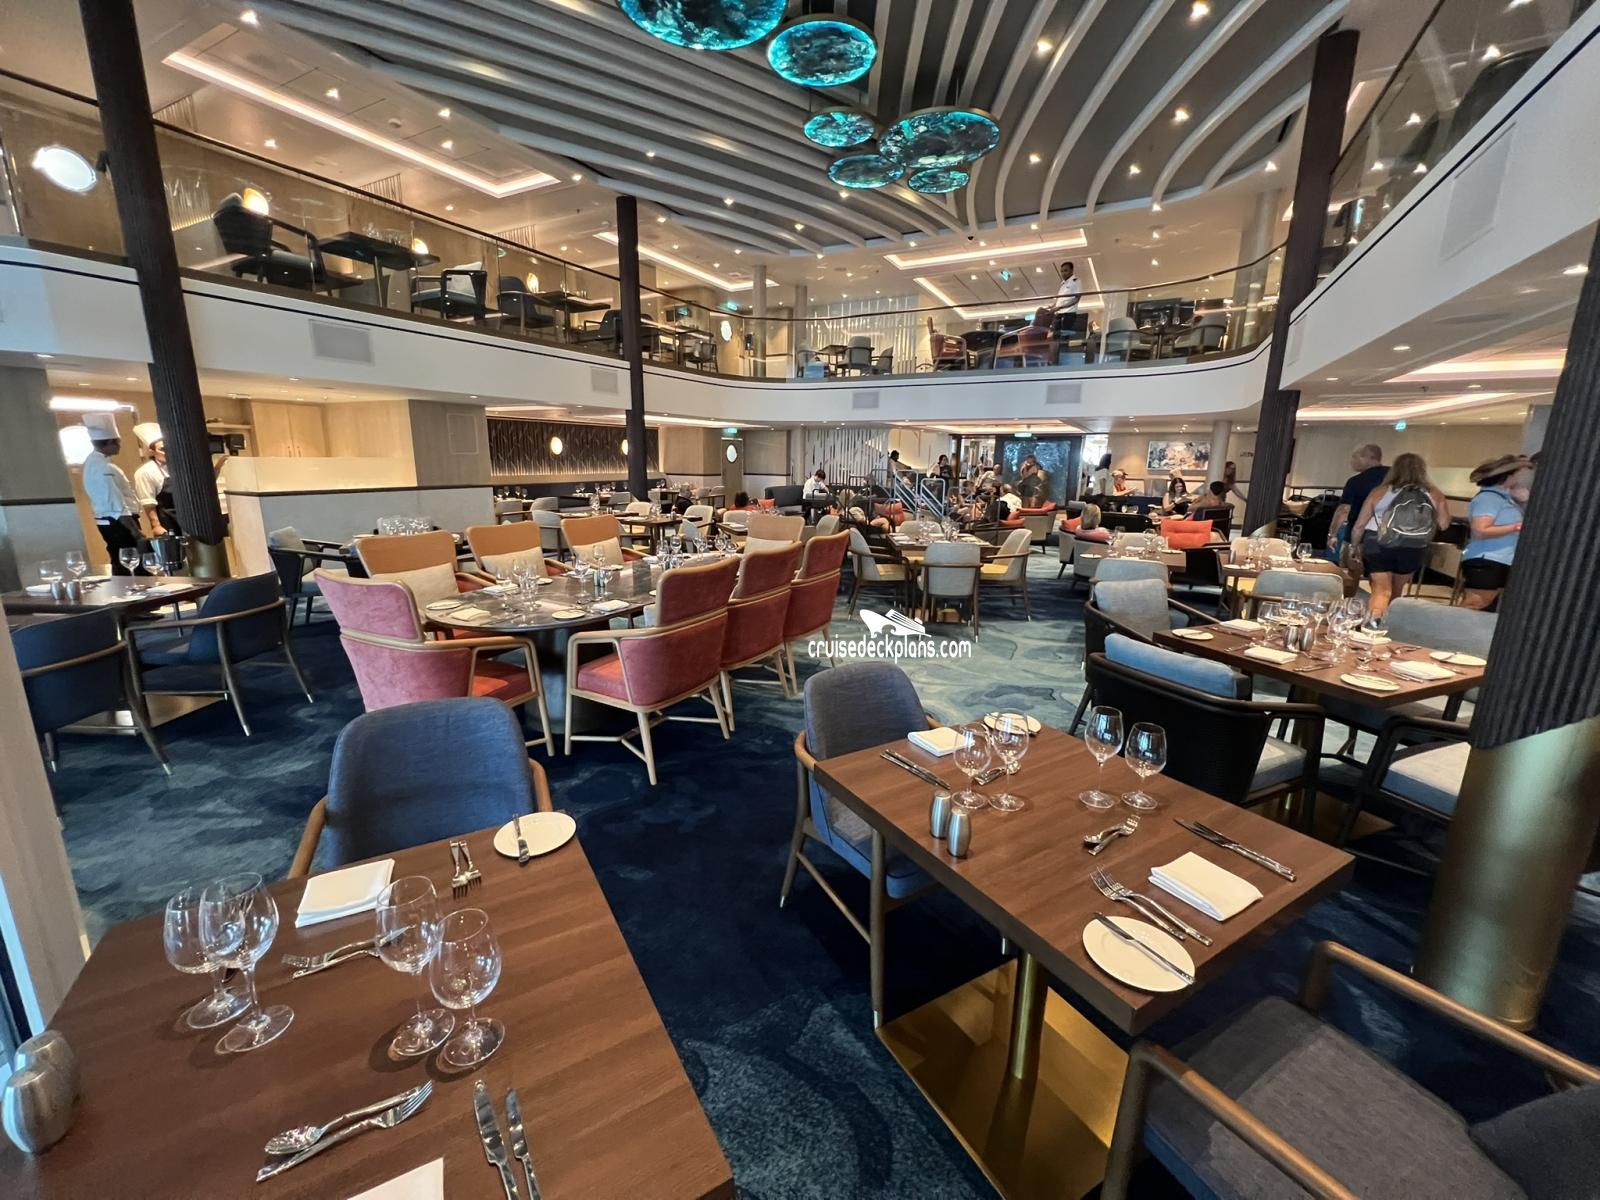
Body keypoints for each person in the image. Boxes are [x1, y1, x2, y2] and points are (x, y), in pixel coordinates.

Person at [1351, 452, 1451, 617]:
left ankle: (1373, 625)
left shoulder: (1381, 491)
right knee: (1396, 591)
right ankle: (1389, 624)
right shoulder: (1434, 494)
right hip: (1413, 545)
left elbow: (1360, 525)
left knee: (1381, 591)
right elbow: (1444, 524)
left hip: (1378, 542)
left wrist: (1354, 546)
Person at [1460, 454, 1532, 610]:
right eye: (1518, 474)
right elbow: (1480, 530)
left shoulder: (1504, 498)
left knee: (1484, 604)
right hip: (1486, 559)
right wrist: (1515, 527)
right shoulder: (1489, 498)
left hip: (1499, 559)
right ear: (1508, 476)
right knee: (1476, 603)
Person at [79, 413, 143, 575]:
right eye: (117, 442)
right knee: (129, 562)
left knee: (123, 561)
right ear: (108, 442)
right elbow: (116, 503)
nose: (119, 445)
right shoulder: (101, 467)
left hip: (114, 520)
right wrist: (135, 531)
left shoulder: (97, 462)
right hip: (118, 522)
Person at [1326, 443, 1386, 563]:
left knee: (1350, 571)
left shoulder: (1356, 481)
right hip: (1392, 540)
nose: (1352, 461)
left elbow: (1344, 510)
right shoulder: (1396, 478)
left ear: (1369, 457)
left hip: (1358, 538)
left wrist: (1332, 534)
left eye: (1355, 457)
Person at [132, 422, 181, 539]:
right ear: (151, 451)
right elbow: (148, 503)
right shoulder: (146, 472)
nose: (167, 452)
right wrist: (156, 525)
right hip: (167, 520)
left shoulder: (179, 466)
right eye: (162, 449)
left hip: (186, 518)